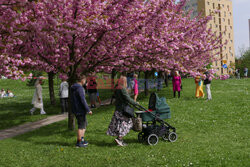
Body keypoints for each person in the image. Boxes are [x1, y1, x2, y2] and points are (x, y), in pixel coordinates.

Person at [107, 76, 138, 146]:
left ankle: (119, 139)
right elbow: (127, 98)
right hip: (123, 109)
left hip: (118, 109)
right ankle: (120, 139)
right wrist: (135, 103)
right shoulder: (122, 89)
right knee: (128, 123)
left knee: (119, 124)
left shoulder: (117, 88)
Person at [71, 74, 92, 148]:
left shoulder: (74, 87)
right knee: (81, 126)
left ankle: (82, 140)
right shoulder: (80, 88)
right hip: (80, 109)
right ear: (82, 80)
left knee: (84, 125)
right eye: (85, 80)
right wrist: (88, 109)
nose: (85, 81)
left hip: (76, 109)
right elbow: (83, 100)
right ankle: (79, 142)